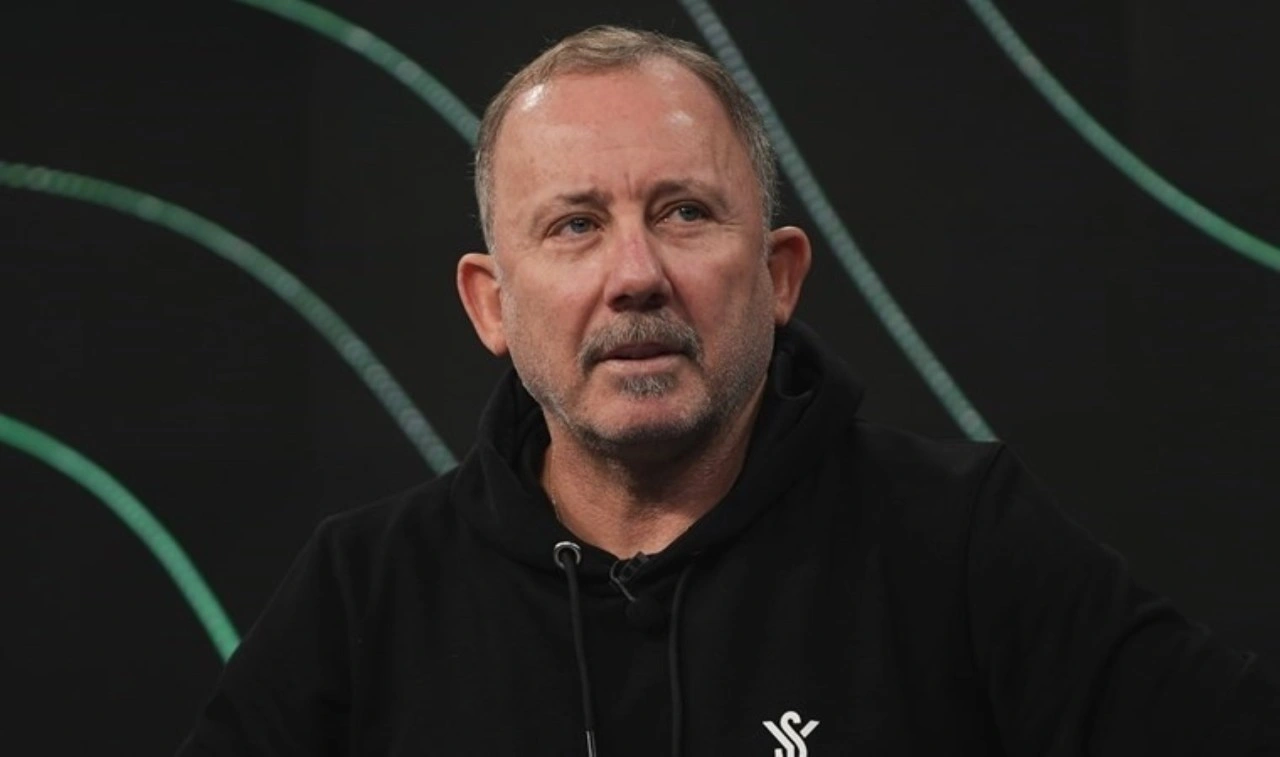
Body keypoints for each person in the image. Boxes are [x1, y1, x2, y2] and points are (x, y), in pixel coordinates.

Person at [177, 25, 1279, 756]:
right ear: (491, 304)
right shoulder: (362, 595)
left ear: (779, 274)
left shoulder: (962, 542)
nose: (635, 274)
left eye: (684, 212)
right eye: (574, 225)